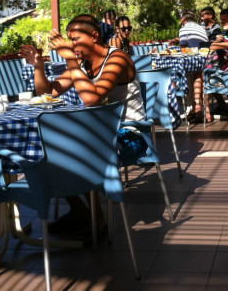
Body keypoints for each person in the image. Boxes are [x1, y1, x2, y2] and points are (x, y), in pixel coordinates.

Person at [19, 14, 143, 238]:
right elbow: (47, 93)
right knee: (46, 150)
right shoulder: (83, 65)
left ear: (94, 36)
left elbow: (91, 99)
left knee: (72, 149)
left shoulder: (117, 59)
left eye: (75, 39)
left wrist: (70, 58)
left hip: (130, 135)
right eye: (69, 40)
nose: (71, 44)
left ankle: (96, 219)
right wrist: (38, 67)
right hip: (96, 135)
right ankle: (81, 212)